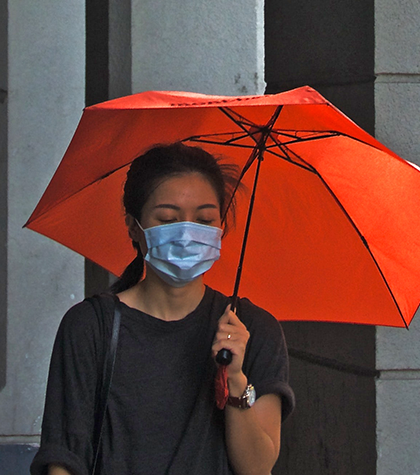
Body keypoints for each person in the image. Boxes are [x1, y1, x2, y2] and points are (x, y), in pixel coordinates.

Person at [30, 143, 295, 475]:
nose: (186, 233)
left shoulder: (253, 330)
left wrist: (236, 380)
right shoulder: (89, 327)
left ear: (221, 228)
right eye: (168, 218)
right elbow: (64, 457)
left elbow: (257, 467)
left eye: (204, 219)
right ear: (133, 226)